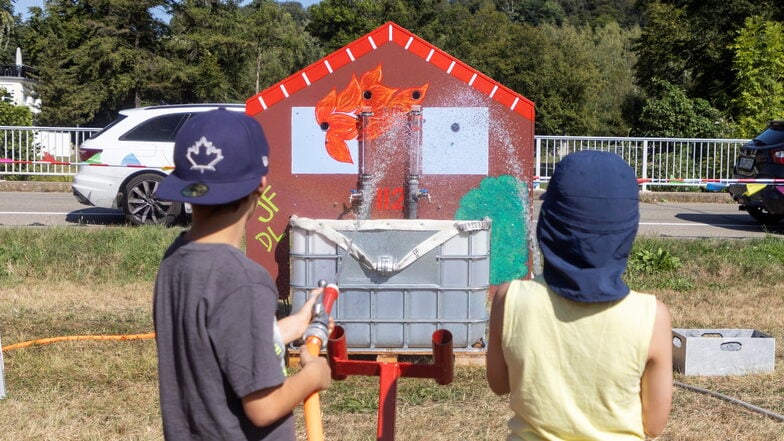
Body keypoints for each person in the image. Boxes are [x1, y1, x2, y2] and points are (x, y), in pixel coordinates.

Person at [153, 108, 331, 440]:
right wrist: (313, 375)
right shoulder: (243, 280)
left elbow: (221, 339)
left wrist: (297, 324)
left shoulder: (176, 260)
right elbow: (263, 407)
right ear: (261, 186)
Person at [486, 150, 672, 440]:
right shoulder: (652, 316)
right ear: (627, 229)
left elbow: (499, 384)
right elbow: (653, 425)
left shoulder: (509, 298)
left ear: (548, 224)